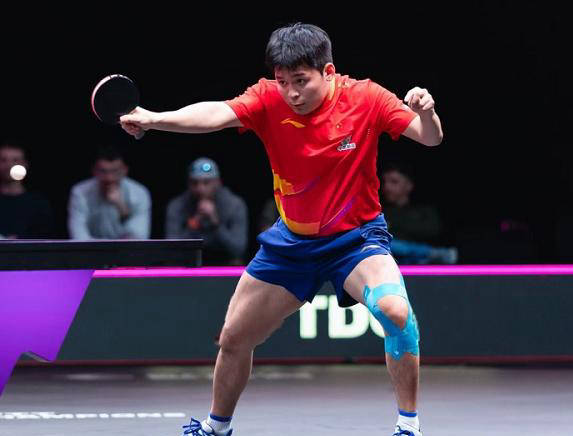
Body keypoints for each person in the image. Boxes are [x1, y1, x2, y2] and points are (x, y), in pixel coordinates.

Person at [120, 23, 442, 436]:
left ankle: (408, 426)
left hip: (356, 239)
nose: (291, 92)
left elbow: (429, 138)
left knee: (396, 312)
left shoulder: (366, 97)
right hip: (291, 243)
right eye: (283, 81)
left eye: (301, 81)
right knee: (233, 337)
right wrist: (154, 118)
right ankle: (216, 427)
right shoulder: (267, 98)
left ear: (328, 71)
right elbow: (216, 114)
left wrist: (427, 112)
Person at [166, 157, 248, 265]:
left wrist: (216, 224)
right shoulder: (177, 205)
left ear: (218, 182)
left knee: (237, 262)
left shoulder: (235, 205)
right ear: (188, 184)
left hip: (224, 262)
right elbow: (171, 249)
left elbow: (238, 249)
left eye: (206, 182)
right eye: (194, 183)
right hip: (188, 262)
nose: (200, 188)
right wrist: (194, 223)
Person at [380, 162, 457, 264]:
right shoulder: (379, 210)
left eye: (394, 182)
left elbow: (434, 230)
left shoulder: (423, 210)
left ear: (409, 185)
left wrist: (394, 224)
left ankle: (426, 254)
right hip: (389, 257)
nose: (387, 187)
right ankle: (429, 253)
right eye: (384, 182)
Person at [67, 146, 151, 239]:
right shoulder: (80, 192)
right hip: (91, 248)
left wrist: (121, 208)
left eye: (115, 171)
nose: (109, 178)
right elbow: (79, 236)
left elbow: (139, 237)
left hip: (124, 249)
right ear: (94, 170)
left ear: (125, 170)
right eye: (103, 171)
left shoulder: (139, 193)